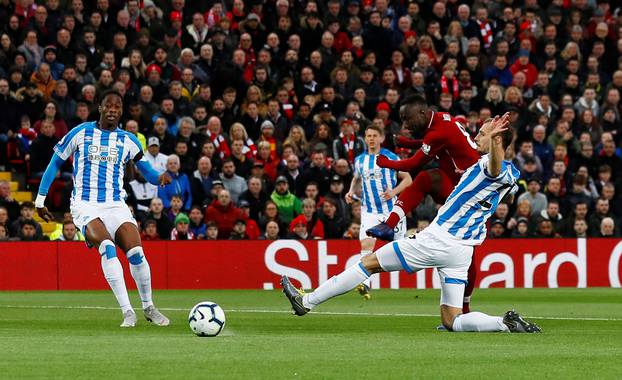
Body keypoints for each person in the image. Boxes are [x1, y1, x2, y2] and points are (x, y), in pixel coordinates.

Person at [282, 114, 542, 333]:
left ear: (497, 140)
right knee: (451, 319)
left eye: (483, 134)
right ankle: (504, 323)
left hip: (439, 239)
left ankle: (306, 301)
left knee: (367, 263)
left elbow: (494, 165)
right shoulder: (511, 173)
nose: (476, 137)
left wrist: (495, 141)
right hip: (461, 251)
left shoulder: (491, 166)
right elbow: (492, 165)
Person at [35, 91, 171, 327]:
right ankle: (128, 312)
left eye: (117, 106)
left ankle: (149, 306)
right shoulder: (80, 132)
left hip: (116, 204)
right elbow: (55, 162)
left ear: (121, 111)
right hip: (85, 205)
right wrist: (40, 199)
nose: (112, 110)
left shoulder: (128, 140)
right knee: (107, 248)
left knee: (136, 253)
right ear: (100, 107)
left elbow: (145, 170)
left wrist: (158, 177)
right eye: (108, 105)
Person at [367, 95, 481, 313]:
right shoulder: (440, 120)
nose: (405, 125)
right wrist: (408, 143)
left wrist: (386, 163)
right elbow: (430, 144)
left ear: (421, 113)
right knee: (425, 179)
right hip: (455, 181)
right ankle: (389, 225)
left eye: (407, 119)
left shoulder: (439, 130)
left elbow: (413, 163)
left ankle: (465, 308)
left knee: (468, 253)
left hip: (468, 194)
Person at [345, 124, 412, 299]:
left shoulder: (390, 157)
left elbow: (408, 179)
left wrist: (393, 192)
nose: (371, 139)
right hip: (369, 211)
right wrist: (351, 191)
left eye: (375, 135)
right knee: (366, 244)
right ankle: (364, 284)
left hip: (391, 211)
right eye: (368, 136)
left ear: (381, 138)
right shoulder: (360, 160)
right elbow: (356, 178)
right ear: (365, 139)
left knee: (401, 250)